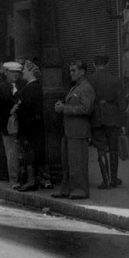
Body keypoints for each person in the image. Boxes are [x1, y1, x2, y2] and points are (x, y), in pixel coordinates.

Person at [53, 60, 96, 200]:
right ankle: (67, 189)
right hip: (70, 130)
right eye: (70, 70)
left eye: (74, 70)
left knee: (78, 162)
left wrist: (64, 108)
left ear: (82, 71)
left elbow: (86, 109)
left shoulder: (86, 88)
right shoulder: (75, 87)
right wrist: (63, 105)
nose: (71, 73)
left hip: (78, 131)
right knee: (68, 163)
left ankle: (80, 190)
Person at [87, 54, 123, 189]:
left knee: (101, 149)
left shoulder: (90, 80)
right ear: (107, 64)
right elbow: (121, 103)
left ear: (94, 64)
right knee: (114, 149)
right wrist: (122, 122)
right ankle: (114, 179)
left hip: (97, 117)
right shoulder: (115, 80)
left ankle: (106, 181)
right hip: (112, 117)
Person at [15, 61, 48, 192]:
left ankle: (31, 181)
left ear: (30, 72)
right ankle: (36, 179)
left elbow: (27, 107)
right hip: (33, 126)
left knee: (29, 152)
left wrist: (17, 108)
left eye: (24, 70)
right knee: (31, 152)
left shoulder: (32, 88)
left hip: (29, 127)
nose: (22, 72)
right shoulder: (35, 87)